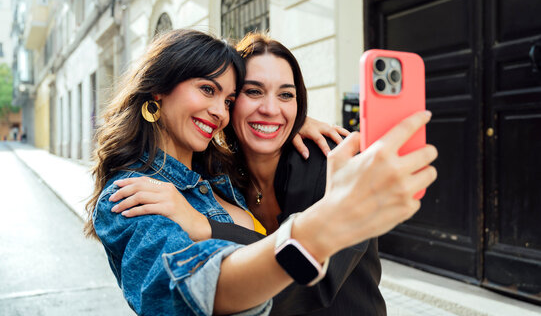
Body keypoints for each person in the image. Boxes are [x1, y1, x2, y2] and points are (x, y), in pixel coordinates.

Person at [86, 29, 437, 315]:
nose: (218, 111)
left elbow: (311, 282)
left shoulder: (219, 171)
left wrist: (289, 123)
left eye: (287, 95)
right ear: (158, 89)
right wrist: (327, 223)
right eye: (251, 92)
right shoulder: (138, 190)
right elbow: (190, 288)